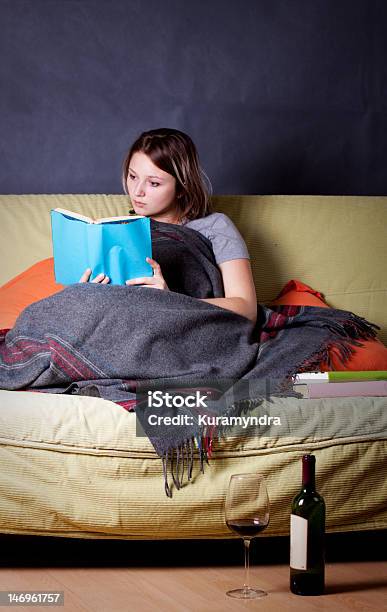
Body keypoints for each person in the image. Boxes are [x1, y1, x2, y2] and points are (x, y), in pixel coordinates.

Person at [79, 128, 257, 323]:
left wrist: (171, 300)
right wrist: (88, 294)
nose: (137, 191)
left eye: (153, 183)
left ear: (182, 187)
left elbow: (247, 309)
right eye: (132, 176)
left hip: (183, 329)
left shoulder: (215, 227)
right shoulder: (119, 229)